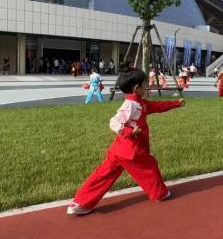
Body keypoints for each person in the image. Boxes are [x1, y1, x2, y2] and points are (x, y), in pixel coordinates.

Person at [67, 68, 184, 215]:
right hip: (132, 151)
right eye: (145, 84)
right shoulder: (130, 105)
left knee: (102, 174)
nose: (147, 86)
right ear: (136, 88)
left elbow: (156, 106)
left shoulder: (139, 102)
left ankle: (80, 202)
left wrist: (176, 104)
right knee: (149, 167)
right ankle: (159, 194)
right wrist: (129, 131)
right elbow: (114, 122)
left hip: (118, 150)